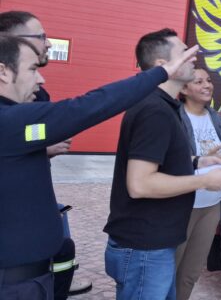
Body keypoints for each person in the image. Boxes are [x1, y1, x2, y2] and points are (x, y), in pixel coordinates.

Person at [0, 34, 197, 300]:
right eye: (33, 69)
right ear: (2, 71)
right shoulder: (11, 122)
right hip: (14, 285)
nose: (41, 79)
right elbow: (90, 106)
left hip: (29, 279)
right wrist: (161, 74)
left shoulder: (17, 126)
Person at [103, 29, 221, 300]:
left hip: (149, 246)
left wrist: (198, 161)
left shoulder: (160, 106)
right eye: (184, 52)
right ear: (163, 67)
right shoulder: (155, 111)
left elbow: (155, 163)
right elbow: (140, 184)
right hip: (143, 250)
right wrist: (204, 180)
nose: (193, 57)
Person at [0, 10, 92, 298]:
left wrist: (41, 150)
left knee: (63, 248)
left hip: (35, 254)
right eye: (41, 37)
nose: (48, 44)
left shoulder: (31, 92)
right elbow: (88, 108)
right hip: (15, 273)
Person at [175, 68, 221, 300]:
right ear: (183, 89)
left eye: (209, 80)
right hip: (183, 206)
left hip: (211, 206)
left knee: (190, 273)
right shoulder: (175, 119)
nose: (207, 85)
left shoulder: (216, 119)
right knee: (169, 270)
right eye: (198, 81)